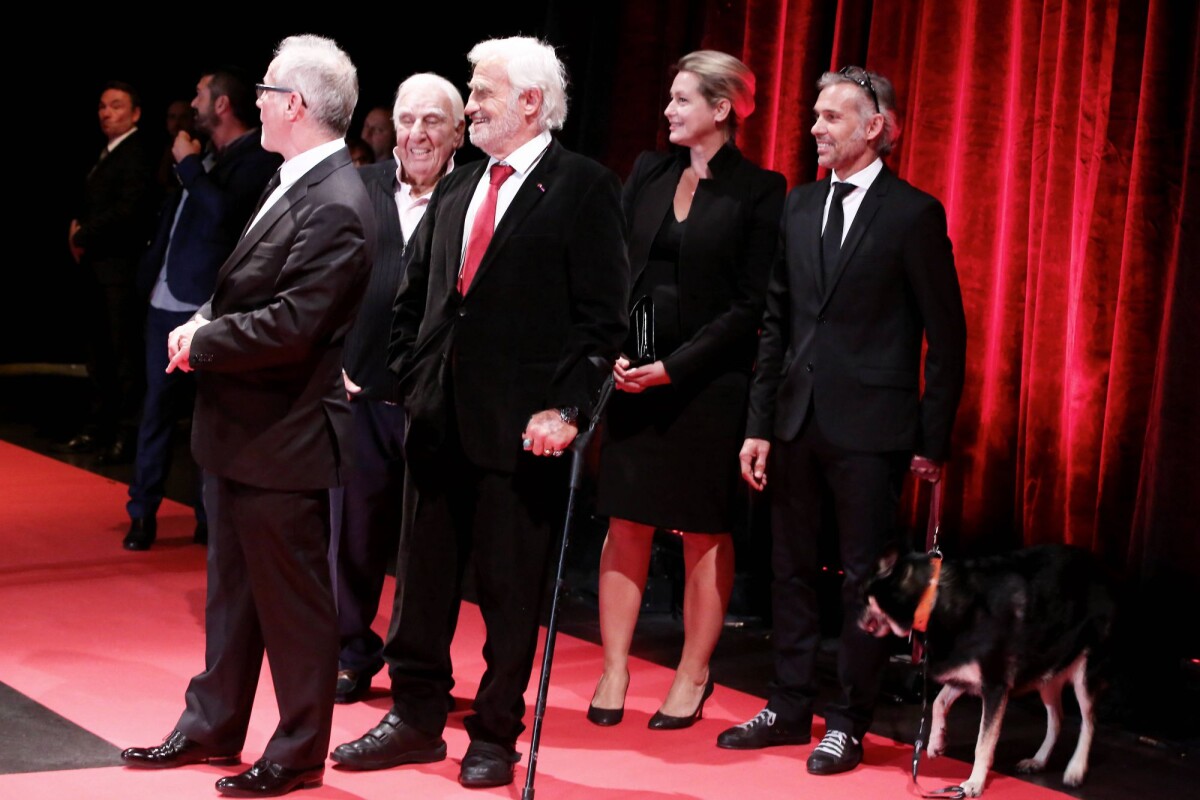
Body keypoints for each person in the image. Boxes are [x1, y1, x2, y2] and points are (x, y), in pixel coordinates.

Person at [331, 36, 628, 789]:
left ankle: (495, 732)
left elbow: (601, 320)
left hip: (523, 433)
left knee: (508, 590)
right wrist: (411, 378)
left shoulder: (583, 186)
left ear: (530, 101)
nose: (470, 104)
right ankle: (414, 718)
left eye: (482, 91)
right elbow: (415, 300)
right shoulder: (463, 184)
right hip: (435, 423)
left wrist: (567, 409)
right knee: (421, 584)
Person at [120, 35, 375, 799]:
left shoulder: (337, 202)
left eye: (265, 89)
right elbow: (247, 293)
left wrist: (202, 340)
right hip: (243, 431)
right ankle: (213, 723)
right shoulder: (295, 179)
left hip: (286, 436)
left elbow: (293, 325)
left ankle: (297, 749)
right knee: (232, 593)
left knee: (292, 608)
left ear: (291, 104)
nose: (255, 100)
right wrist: (205, 319)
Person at [715, 66, 967, 776]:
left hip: (874, 429)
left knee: (866, 581)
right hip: (794, 421)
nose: (816, 128)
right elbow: (777, 322)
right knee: (788, 570)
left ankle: (848, 720)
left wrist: (931, 439)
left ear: (875, 127)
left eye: (832, 117)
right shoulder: (799, 205)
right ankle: (790, 704)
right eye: (816, 115)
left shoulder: (914, 213)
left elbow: (945, 336)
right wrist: (758, 424)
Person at [588, 50, 785, 730]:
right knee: (627, 518)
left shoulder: (760, 191)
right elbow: (613, 264)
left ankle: (693, 671)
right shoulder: (648, 171)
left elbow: (749, 305)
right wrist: (616, 350)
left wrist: (675, 367)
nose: (668, 110)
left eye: (682, 99)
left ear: (722, 109)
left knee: (703, 529)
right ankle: (615, 666)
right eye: (669, 99)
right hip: (633, 376)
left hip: (708, 385)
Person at [331, 71, 465, 704]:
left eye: (432, 122)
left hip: (437, 405)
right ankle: (349, 652)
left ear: (460, 132)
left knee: (426, 551)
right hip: (359, 398)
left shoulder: (474, 196)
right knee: (352, 539)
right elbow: (323, 282)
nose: (415, 134)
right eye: (406, 120)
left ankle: (417, 668)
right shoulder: (358, 187)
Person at [123, 68, 282, 551]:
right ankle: (142, 515)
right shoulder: (206, 154)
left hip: (207, 310)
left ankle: (209, 518)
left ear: (221, 106)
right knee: (155, 410)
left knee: (210, 416)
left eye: (199, 94)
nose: (192, 102)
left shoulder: (255, 158)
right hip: (163, 303)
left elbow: (224, 216)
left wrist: (190, 167)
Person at [67, 80, 160, 464]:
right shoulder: (106, 153)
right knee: (99, 351)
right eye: (103, 106)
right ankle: (99, 425)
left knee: (123, 354)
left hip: (120, 269)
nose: (106, 113)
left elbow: (130, 210)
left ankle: (126, 432)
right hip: (97, 267)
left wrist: (83, 233)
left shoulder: (136, 153)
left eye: (116, 106)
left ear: (135, 113)